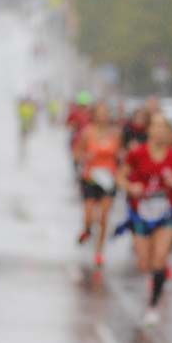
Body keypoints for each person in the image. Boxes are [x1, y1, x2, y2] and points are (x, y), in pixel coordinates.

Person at [116, 113, 172, 326]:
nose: (158, 131)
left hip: (167, 214)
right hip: (140, 213)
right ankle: (157, 275)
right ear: (149, 130)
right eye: (155, 126)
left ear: (168, 133)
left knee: (159, 259)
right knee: (144, 262)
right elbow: (120, 176)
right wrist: (131, 187)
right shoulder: (137, 154)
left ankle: (152, 306)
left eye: (163, 127)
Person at [74, 100, 122, 267]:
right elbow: (77, 152)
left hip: (108, 178)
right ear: (94, 114)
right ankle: (86, 230)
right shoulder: (87, 132)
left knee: (103, 217)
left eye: (105, 112)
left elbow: (121, 154)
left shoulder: (115, 133)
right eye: (100, 112)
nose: (103, 116)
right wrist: (84, 157)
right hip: (91, 177)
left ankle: (99, 252)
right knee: (89, 216)